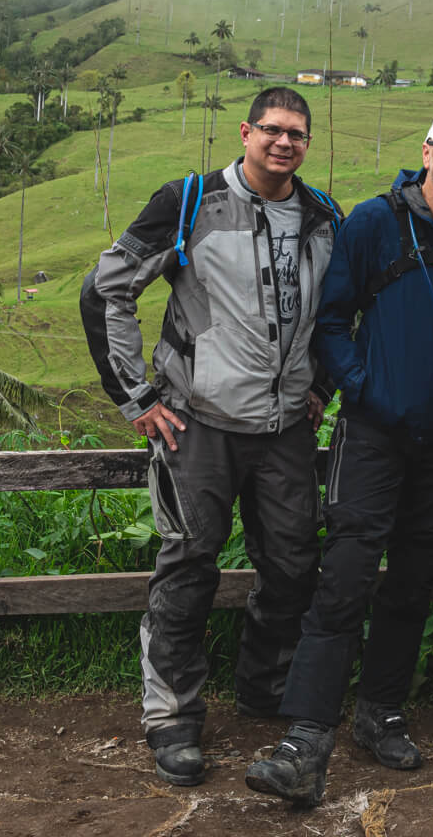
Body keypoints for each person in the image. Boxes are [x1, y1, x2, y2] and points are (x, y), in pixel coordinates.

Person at [244, 108, 433, 808]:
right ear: (427, 152)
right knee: (344, 572)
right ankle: (304, 738)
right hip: (374, 431)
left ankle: (381, 711)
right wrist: (359, 386)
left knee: (414, 573)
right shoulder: (376, 222)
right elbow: (332, 318)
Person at [79, 86, 343, 787]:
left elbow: (341, 311)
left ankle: (264, 686)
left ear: (307, 144)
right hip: (197, 424)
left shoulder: (323, 217)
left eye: (297, 133)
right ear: (246, 132)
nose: (283, 142)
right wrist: (135, 397)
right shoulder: (189, 201)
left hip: (286, 428)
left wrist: (320, 388)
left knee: (291, 565)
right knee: (190, 564)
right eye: (272, 130)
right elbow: (105, 288)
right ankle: (172, 714)